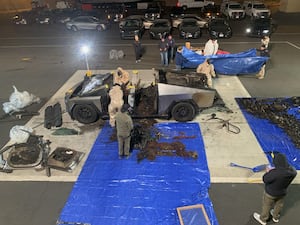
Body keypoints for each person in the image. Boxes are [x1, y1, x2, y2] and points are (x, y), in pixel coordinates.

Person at [253, 153, 297, 225]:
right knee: (279, 204)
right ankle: (275, 217)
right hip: (282, 192)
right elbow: (283, 172)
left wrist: (268, 172)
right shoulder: (293, 171)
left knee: (267, 205)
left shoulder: (275, 173)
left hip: (271, 193)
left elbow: (265, 179)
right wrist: (275, 170)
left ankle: (263, 219)